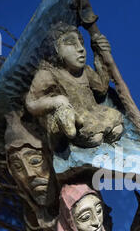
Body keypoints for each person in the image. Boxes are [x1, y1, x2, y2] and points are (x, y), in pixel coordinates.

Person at [26, 22, 123, 150]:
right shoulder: (48, 74)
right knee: (95, 137)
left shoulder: (85, 71)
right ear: (55, 49)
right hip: (78, 120)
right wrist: (55, 101)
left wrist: (100, 53)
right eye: (71, 43)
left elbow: (101, 88)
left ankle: (110, 154)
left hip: (95, 112)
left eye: (81, 42)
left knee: (117, 128)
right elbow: (31, 103)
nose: (80, 48)